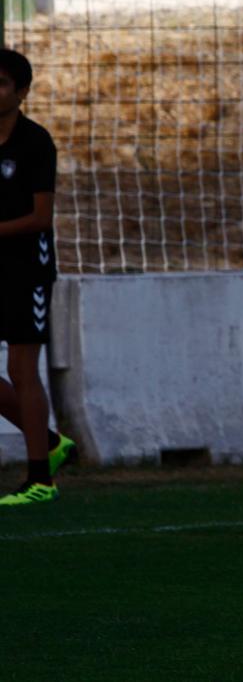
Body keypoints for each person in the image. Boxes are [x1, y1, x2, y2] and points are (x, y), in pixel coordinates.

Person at [0, 48, 75, 506]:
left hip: (26, 268)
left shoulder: (34, 143)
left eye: (2, 83)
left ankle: (40, 481)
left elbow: (40, 217)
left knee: (20, 368)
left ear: (21, 91)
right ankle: (48, 443)